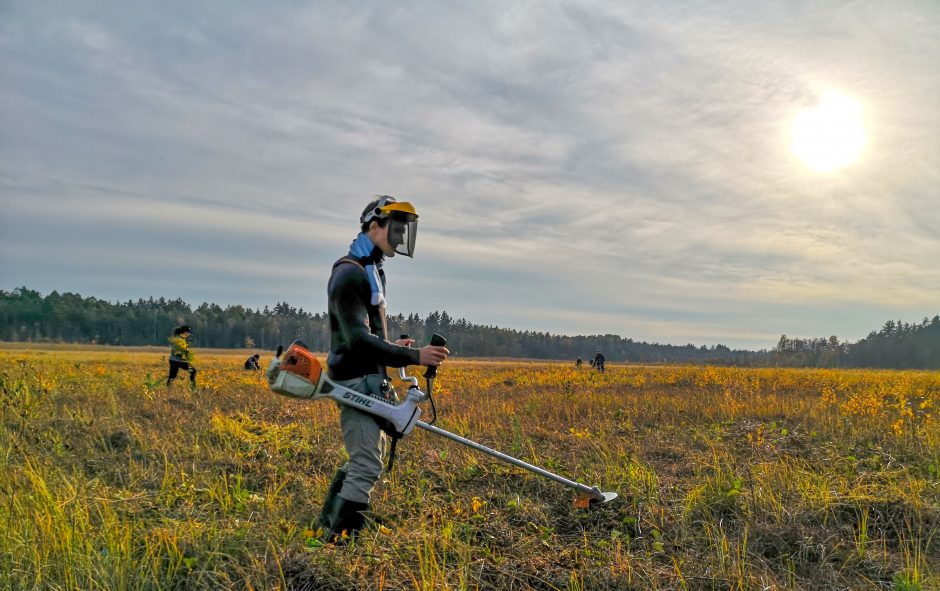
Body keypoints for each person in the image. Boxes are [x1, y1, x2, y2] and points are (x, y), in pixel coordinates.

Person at [318, 195, 449, 542]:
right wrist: (414, 356)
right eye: (396, 228)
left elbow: (368, 335)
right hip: (354, 381)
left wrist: (394, 350)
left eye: (405, 229)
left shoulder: (372, 271)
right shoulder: (349, 273)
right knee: (367, 464)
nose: (400, 236)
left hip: (369, 378)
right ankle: (339, 540)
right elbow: (356, 340)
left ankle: (327, 522)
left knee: (364, 456)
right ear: (374, 225)